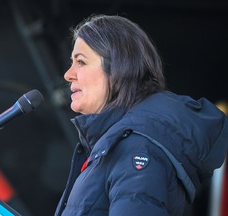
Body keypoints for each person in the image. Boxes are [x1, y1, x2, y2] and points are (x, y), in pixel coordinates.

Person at [54, 14, 228, 216]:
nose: (68, 74)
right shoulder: (118, 146)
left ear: (118, 69)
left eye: (81, 62)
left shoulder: (136, 147)